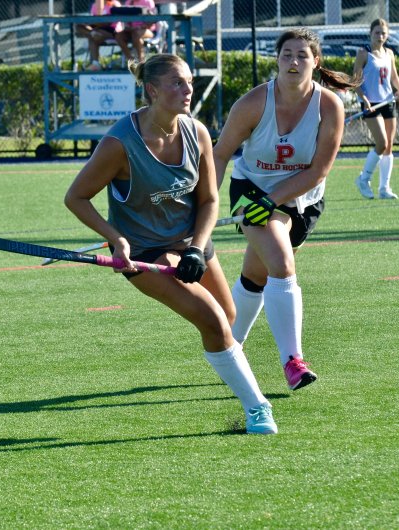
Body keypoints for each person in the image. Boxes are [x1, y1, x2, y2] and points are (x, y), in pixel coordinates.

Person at [65, 53, 277, 435]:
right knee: (213, 321)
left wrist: (197, 247)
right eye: (177, 82)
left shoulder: (196, 133)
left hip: (190, 242)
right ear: (152, 90)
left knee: (227, 321)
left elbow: (209, 200)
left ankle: (234, 374)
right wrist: (116, 240)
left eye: (189, 81)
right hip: (144, 251)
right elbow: (76, 197)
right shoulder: (120, 143)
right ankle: (257, 409)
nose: (188, 89)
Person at [213, 28, 360, 391]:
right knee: (281, 261)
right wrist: (204, 209)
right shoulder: (252, 104)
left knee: (258, 272)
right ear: (277, 60)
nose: (293, 62)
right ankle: (293, 362)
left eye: (302, 56)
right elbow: (218, 155)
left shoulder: (329, 106)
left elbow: (319, 170)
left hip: (303, 196)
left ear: (315, 61)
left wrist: (274, 199)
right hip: (251, 189)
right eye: (286, 55)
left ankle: (228, 344)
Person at [353, 18, 399, 200]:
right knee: (381, 143)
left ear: (387, 35)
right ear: (370, 34)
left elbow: (394, 77)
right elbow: (355, 82)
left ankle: (384, 188)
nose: (380, 36)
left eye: (383, 33)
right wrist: (364, 99)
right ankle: (363, 179)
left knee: (389, 147)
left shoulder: (390, 53)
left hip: (388, 102)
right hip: (371, 104)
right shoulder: (363, 53)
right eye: (377, 32)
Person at [75, 0, 130, 71]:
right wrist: (91, 24)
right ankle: (96, 64)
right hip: (96, 30)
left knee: (94, 35)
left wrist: (96, 22)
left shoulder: (114, 4)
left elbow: (109, 22)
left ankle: (92, 34)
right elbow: (93, 19)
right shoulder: (95, 5)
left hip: (112, 31)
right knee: (79, 26)